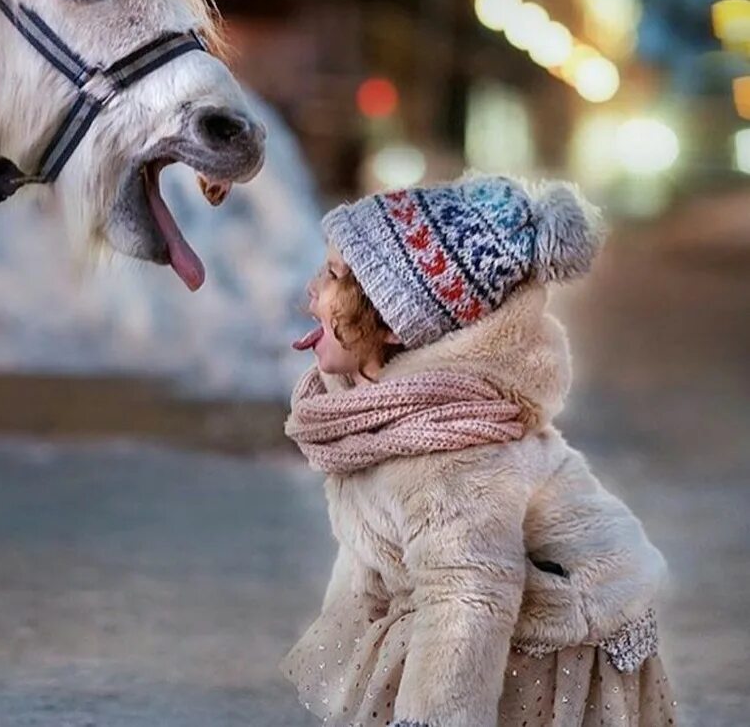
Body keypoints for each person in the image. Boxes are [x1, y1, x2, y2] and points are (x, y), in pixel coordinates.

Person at [282, 174, 677, 727]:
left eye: (334, 276)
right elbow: (375, 548)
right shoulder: (380, 413)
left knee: (433, 660)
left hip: (553, 637)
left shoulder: (450, 455)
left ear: (397, 322)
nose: (312, 289)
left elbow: (469, 598)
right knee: (399, 649)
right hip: (483, 609)